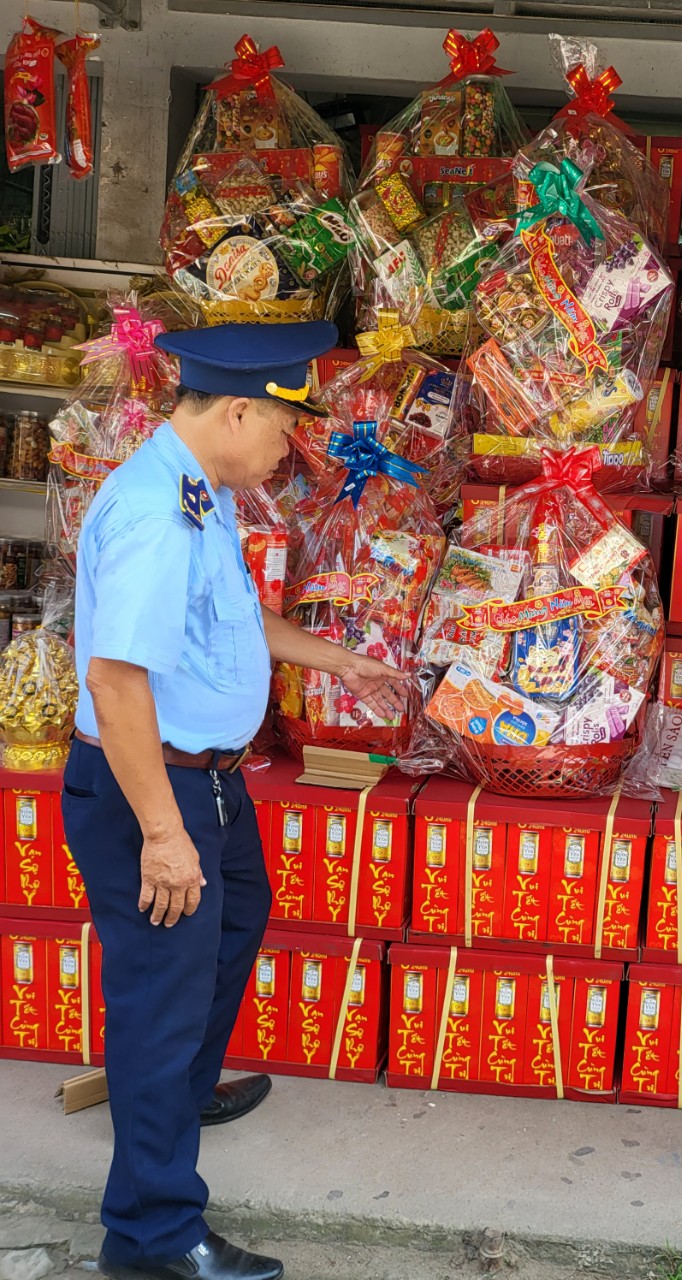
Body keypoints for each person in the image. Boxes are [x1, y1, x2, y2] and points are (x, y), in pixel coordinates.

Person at [63, 321, 411, 1280]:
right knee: (161, 998)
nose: (288, 451)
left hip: (205, 779)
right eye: (285, 430)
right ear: (238, 411)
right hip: (155, 787)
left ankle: (174, 1098)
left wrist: (339, 660)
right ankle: (151, 1233)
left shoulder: (199, 492)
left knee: (231, 930)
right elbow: (117, 682)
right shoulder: (154, 512)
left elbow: (231, 616)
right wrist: (163, 835)